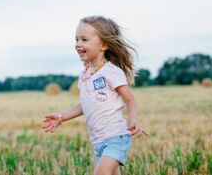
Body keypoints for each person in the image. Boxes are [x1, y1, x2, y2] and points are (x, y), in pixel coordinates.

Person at [43, 16, 147, 175]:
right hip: (98, 141)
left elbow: (129, 99)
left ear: (104, 44)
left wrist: (132, 119)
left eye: (84, 39)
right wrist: (61, 117)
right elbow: (84, 104)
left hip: (116, 137)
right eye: (76, 39)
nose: (78, 44)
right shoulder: (84, 75)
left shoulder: (112, 72)